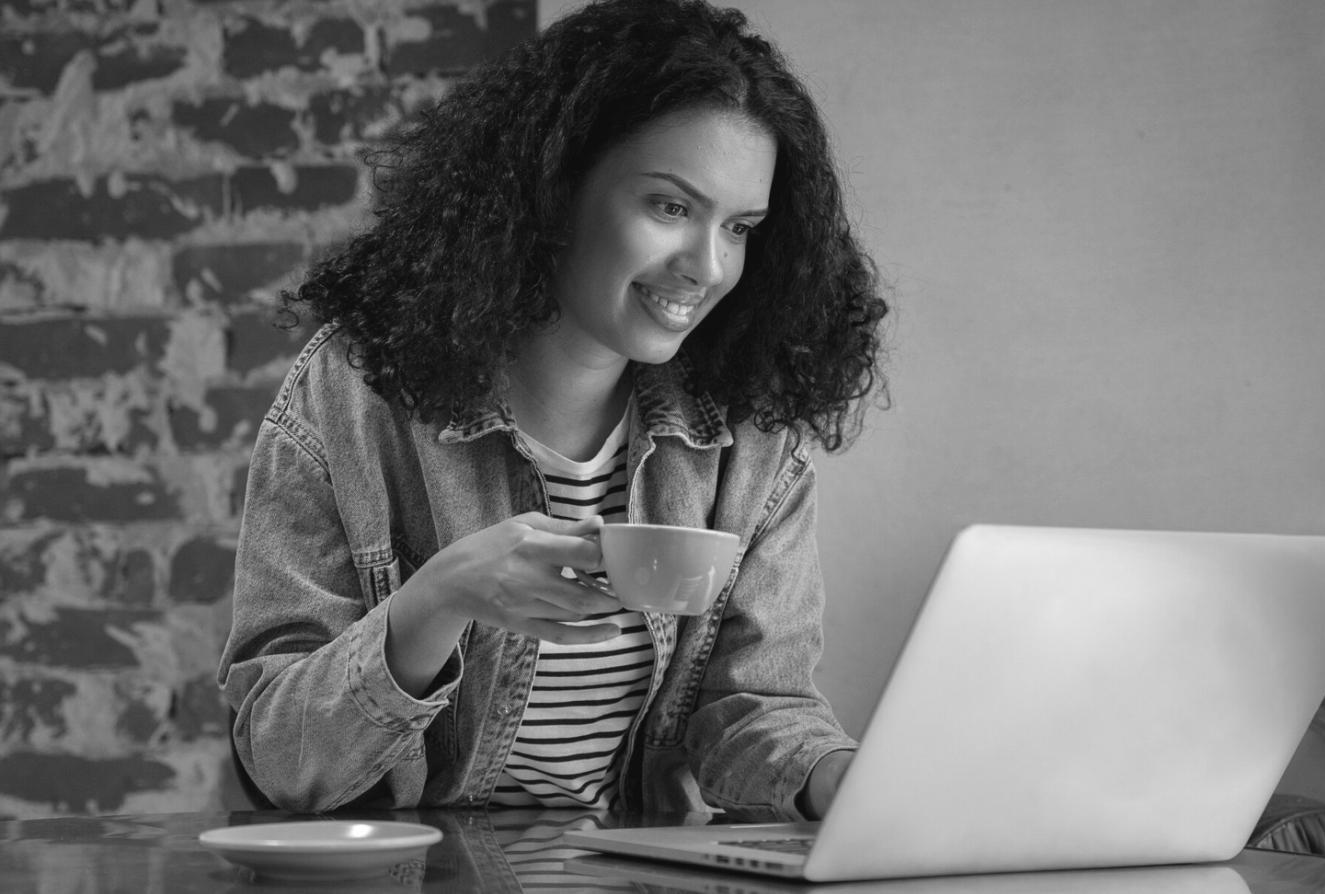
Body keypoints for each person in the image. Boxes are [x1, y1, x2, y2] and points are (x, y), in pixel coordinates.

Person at [218, 0, 888, 821]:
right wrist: (437, 601)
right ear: (558, 187)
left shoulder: (747, 434)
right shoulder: (354, 398)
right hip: (411, 876)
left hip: (627, 873)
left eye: (741, 227)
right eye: (670, 207)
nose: (708, 267)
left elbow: (753, 711)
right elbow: (280, 761)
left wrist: (839, 778)